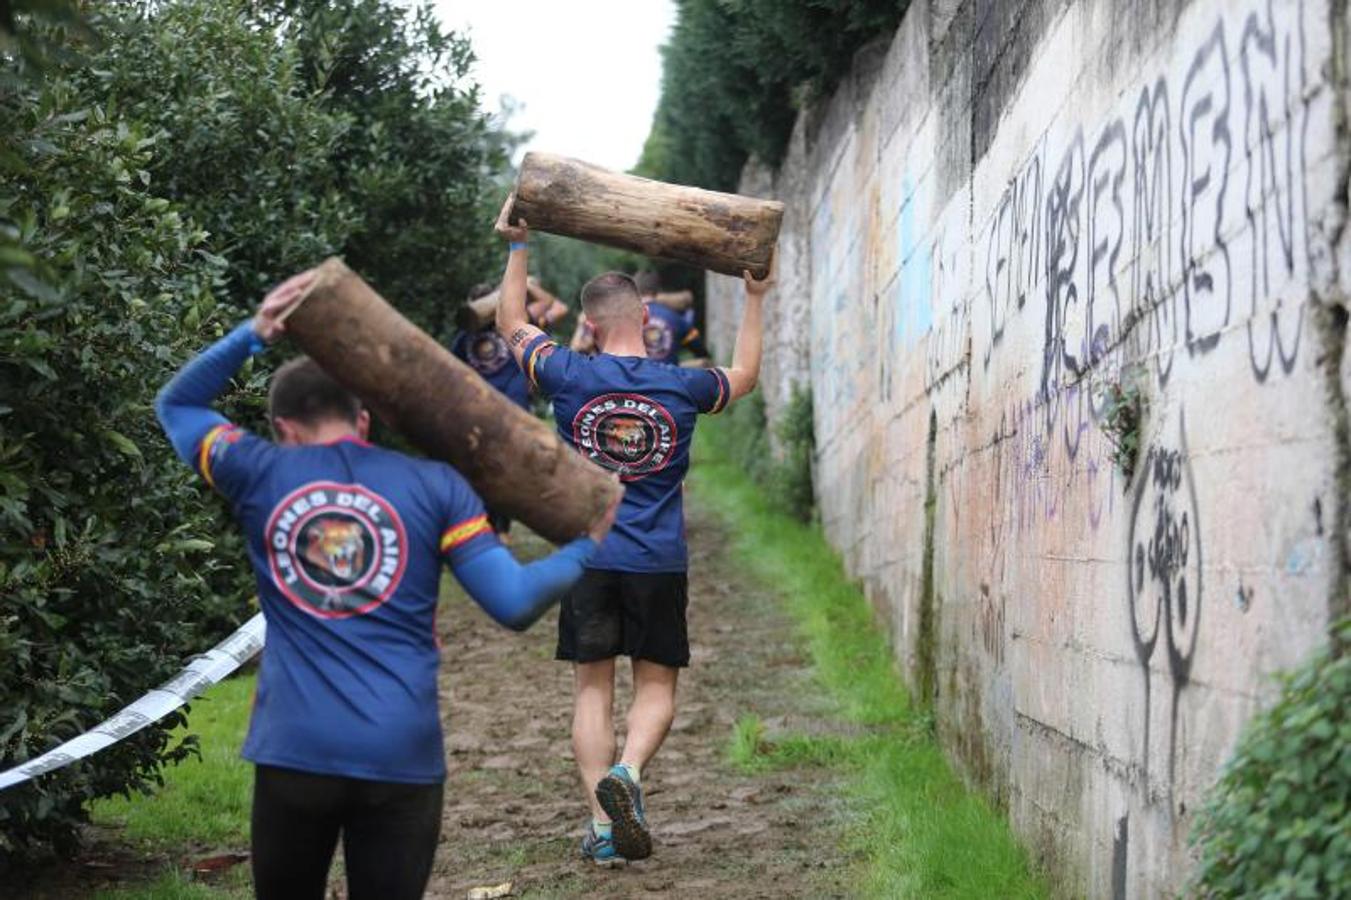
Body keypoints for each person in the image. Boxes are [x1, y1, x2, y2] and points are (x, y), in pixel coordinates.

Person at [155, 271, 618, 900]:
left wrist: (254, 332)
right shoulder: (436, 487)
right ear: (365, 420)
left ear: (283, 426)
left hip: (296, 749)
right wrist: (587, 548)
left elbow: (176, 405)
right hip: (401, 750)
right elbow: (512, 603)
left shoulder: (258, 470)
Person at [492, 196, 774, 866]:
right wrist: (754, 296)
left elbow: (509, 324)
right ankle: (630, 772)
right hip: (657, 558)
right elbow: (746, 377)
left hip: (586, 558)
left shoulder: (567, 372)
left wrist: (516, 247)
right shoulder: (681, 386)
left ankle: (600, 827)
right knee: (656, 685)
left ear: (587, 323)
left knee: (592, 686)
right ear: (645, 318)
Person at [451, 279, 568, 537]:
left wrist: (523, 283)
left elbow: (549, 305)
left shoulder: (513, 327)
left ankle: (498, 526)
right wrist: (528, 285)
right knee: (495, 469)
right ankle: (491, 525)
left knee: (499, 469)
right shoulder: (468, 334)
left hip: (505, 411)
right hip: (484, 412)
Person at [633, 270, 710, 367]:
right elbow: (699, 349)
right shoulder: (676, 318)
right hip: (669, 379)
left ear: (635, 291)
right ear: (657, 291)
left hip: (637, 380)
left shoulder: (625, 322)